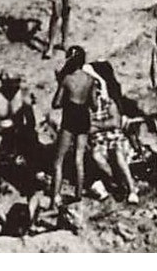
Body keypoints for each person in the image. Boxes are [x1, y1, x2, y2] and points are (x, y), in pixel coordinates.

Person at [49, 46, 97, 207]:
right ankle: (78, 194)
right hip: (84, 116)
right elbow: (94, 105)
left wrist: (61, 86)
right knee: (79, 158)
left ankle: (55, 195)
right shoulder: (90, 80)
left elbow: (56, 103)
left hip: (70, 117)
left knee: (58, 160)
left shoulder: (67, 79)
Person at [87, 61, 139, 203]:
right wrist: (105, 125)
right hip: (99, 142)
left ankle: (132, 189)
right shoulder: (85, 108)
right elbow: (87, 128)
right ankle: (119, 182)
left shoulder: (108, 102)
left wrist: (95, 125)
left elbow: (115, 122)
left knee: (117, 152)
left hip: (115, 139)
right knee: (97, 156)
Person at [0, 70, 38, 194]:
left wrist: (18, 128)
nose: (15, 86)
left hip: (17, 129)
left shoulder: (24, 95)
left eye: (17, 82)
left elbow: (31, 121)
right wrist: (4, 128)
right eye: (12, 83)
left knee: (32, 137)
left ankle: (32, 174)